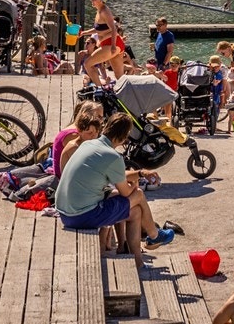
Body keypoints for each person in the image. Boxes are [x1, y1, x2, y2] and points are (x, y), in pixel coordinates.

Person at [55, 113, 173, 267]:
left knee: (136, 212)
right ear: (124, 137)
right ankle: (154, 235)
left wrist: (140, 173)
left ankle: (138, 261)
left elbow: (116, 174)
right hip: (81, 215)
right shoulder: (113, 157)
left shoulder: (88, 145)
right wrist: (135, 183)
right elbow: (126, 193)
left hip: (65, 212)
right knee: (138, 194)